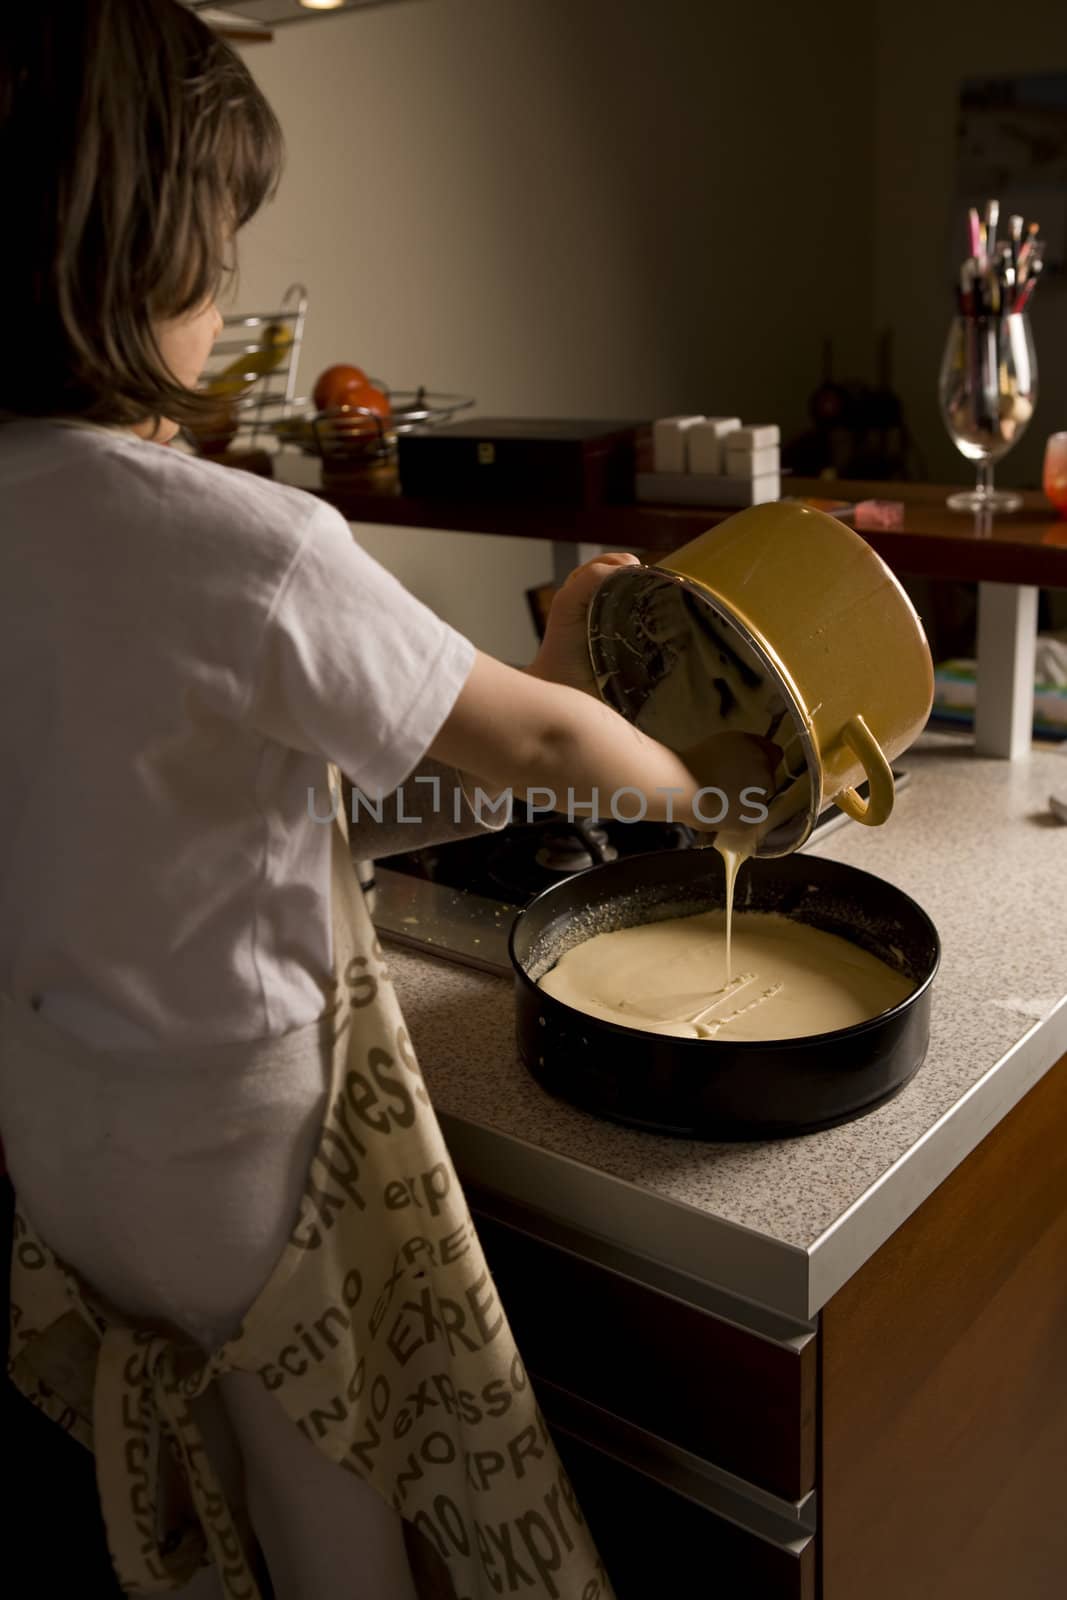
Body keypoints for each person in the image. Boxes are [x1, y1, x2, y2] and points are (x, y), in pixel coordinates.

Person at [0, 4, 775, 1596]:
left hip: (58, 1124)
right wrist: (694, 795)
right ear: (138, 245)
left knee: (186, 1437)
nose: (224, 284)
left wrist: (543, 674)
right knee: (326, 1470)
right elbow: (548, 754)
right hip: (236, 1146)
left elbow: (256, 796)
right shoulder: (241, 540)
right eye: (218, 239)